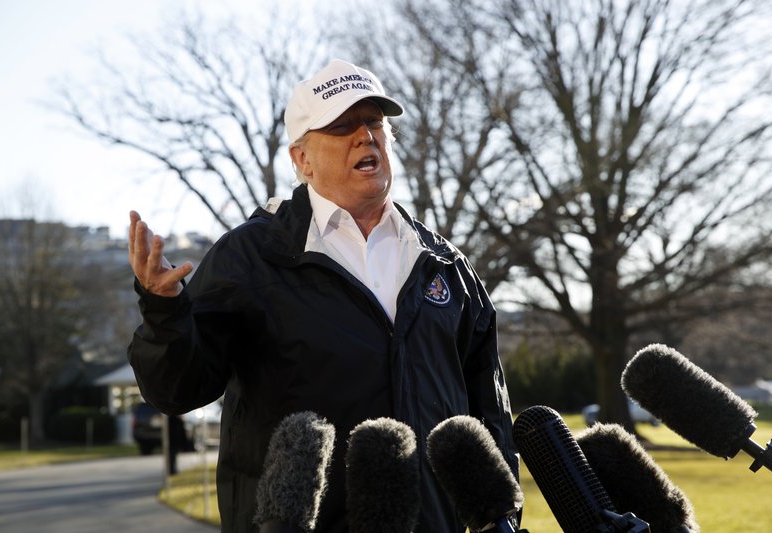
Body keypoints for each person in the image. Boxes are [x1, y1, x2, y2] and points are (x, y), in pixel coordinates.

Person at [127, 59, 518, 532]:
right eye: (341, 126)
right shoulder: (250, 257)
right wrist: (164, 311)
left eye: (375, 122)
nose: (366, 136)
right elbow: (177, 390)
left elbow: (489, 413)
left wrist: (505, 517)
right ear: (302, 160)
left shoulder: (445, 263)